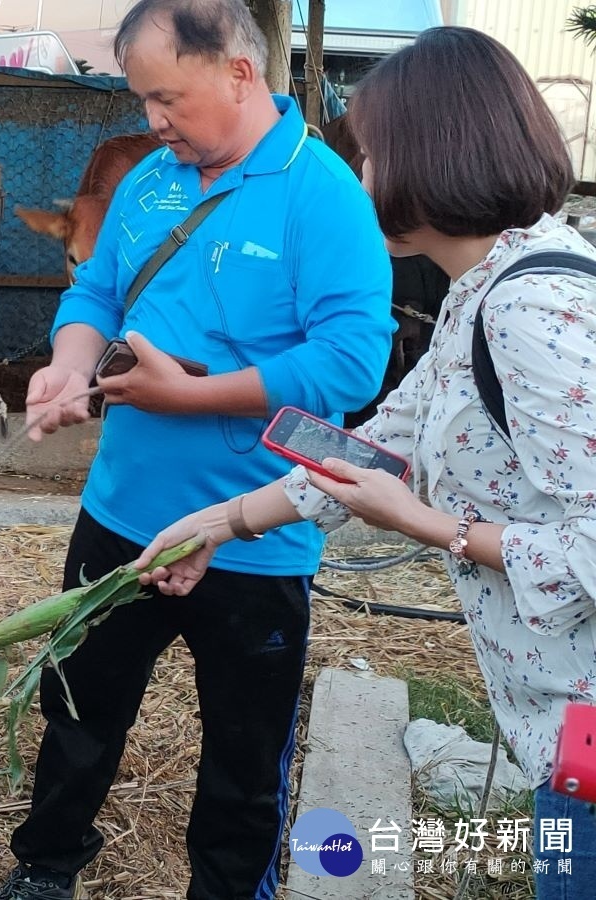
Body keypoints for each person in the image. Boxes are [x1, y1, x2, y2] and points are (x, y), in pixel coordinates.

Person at [135, 26, 596, 898]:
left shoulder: (531, 312)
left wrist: (427, 525)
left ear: (431, 153)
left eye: (371, 153)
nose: (360, 177)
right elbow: (374, 447)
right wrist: (218, 525)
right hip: (563, 728)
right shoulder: (487, 290)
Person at [0, 1, 394, 897]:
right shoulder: (149, 181)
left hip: (257, 534)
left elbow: (351, 363)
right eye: (142, 100)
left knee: (243, 757)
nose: (153, 120)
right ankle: (46, 864)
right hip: (122, 513)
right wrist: (66, 365)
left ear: (239, 73)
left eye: (166, 97)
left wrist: (191, 395)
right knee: (78, 710)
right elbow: (96, 290)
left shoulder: (320, 194)